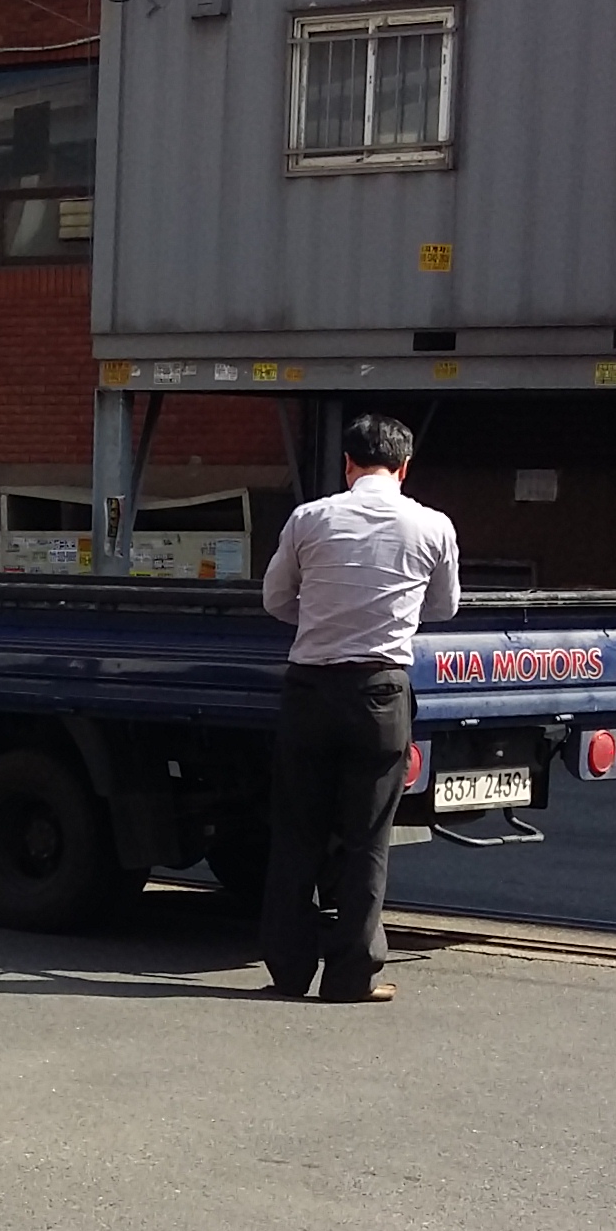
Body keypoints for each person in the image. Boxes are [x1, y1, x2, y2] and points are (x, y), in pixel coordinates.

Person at [257, 413, 459, 1002]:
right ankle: (351, 976)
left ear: (347, 464)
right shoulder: (432, 526)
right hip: (379, 693)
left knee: (297, 834)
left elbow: (275, 599)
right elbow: (444, 607)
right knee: (367, 838)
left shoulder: (309, 519)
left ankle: (288, 971)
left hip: (310, 690)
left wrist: (321, 618)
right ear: (404, 467)